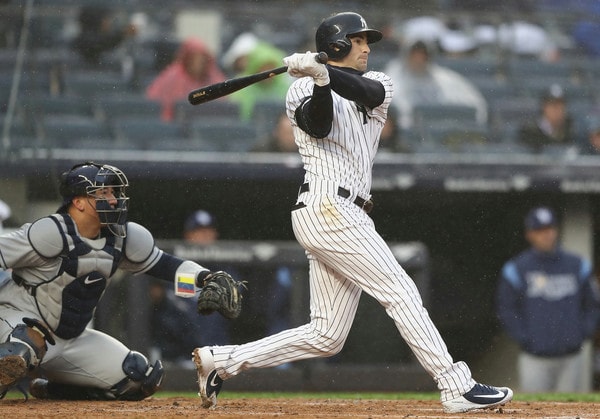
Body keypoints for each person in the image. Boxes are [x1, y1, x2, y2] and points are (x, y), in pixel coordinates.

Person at [192, 12, 513, 414]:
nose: (366, 47)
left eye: (367, 42)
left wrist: (323, 74)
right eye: (358, 41)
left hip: (346, 210)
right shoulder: (299, 91)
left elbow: (369, 94)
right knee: (400, 291)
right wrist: (318, 80)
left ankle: (221, 362)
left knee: (326, 335)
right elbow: (320, 125)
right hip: (328, 206)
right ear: (338, 44)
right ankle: (454, 385)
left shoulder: (380, 82)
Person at [0, 162, 237, 400]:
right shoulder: (51, 232)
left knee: (137, 378)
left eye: (113, 192)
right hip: (15, 321)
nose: (113, 199)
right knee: (24, 345)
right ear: (78, 202)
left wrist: (204, 278)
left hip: (69, 338)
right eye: (103, 193)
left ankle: (46, 388)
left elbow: (165, 266)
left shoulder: (123, 238)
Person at [496, 206, 600, 393]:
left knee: (569, 409)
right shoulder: (517, 268)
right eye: (540, 231)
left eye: (549, 229)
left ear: (556, 230)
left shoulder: (577, 265)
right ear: (529, 234)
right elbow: (507, 309)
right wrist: (526, 338)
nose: (546, 235)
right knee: (534, 409)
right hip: (534, 357)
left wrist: (582, 333)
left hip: (571, 356)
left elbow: (592, 305)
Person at [148, 210, 232, 367]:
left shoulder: (226, 269)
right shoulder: (176, 268)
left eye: (209, 231)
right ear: (188, 235)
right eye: (199, 232)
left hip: (218, 355)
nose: (205, 237)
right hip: (178, 356)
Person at [384, 39, 488, 130]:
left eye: (423, 55)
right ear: (406, 55)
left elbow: (476, 105)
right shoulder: (391, 77)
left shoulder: (446, 79)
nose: (419, 60)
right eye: (414, 55)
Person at [146, 37, 226, 121]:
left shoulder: (214, 79)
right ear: (187, 59)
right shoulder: (171, 77)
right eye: (194, 59)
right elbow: (156, 106)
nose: (198, 63)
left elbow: (222, 109)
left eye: (201, 60)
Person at [229, 41, 291, 121]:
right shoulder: (240, 87)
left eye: (271, 68)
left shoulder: (286, 88)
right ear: (255, 67)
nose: (268, 72)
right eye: (263, 68)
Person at [517, 84, 577, 153]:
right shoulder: (530, 130)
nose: (556, 110)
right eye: (553, 105)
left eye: (560, 105)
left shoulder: (571, 129)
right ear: (544, 107)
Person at [71, 5, 138, 66]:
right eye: (105, 19)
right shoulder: (84, 39)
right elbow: (100, 43)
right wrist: (123, 33)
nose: (109, 22)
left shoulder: (88, 37)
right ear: (97, 21)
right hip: (92, 74)